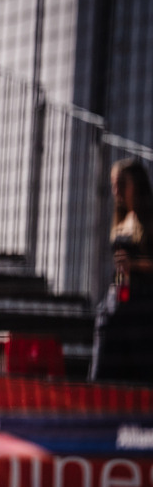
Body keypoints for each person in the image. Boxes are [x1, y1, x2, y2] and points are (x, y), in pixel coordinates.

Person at [90, 158, 153, 383]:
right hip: (117, 302)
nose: (116, 191)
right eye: (114, 185)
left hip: (142, 308)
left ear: (135, 184)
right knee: (104, 371)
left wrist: (134, 264)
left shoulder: (148, 222)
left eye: (121, 184)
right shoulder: (123, 219)